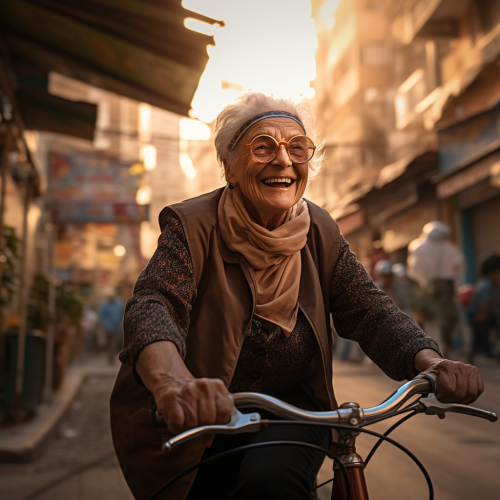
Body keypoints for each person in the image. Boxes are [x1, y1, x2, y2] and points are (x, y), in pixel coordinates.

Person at [110, 93, 483, 500]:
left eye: (297, 148)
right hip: (203, 411)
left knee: (272, 483)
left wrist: (431, 362)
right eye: (263, 147)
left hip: (293, 407)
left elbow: (368, 310)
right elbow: (154, 304)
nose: (283, 161)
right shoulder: (192, 227)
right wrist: (174, 383)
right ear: (229, 167)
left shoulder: (320, 230)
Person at [407, 221, 464, 357]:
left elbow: (413, 271)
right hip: (446, 288)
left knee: (430, 320)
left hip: (427, 290)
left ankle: (433, 350)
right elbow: (459, 267)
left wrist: (424, 282)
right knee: (445, 318)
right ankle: (443, 347)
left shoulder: (418, 247)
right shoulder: (450, 249)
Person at [467, 254, 500, 364]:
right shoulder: (486, 285)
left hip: (489, 314)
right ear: (493, 272)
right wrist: (483, 314)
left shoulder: (495, 284)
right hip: (479, 314)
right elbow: (484, 305)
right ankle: (473, 355)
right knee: (480, 339)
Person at [99, 290, 124, 365]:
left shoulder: (119, 304)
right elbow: (102, 316)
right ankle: (110, 358)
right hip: (108, 327)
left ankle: (112, 359)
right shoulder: (105, 305)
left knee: (114, 343)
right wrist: (105, 324)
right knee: (109, 343)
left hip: (116, 327)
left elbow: (121, 314)